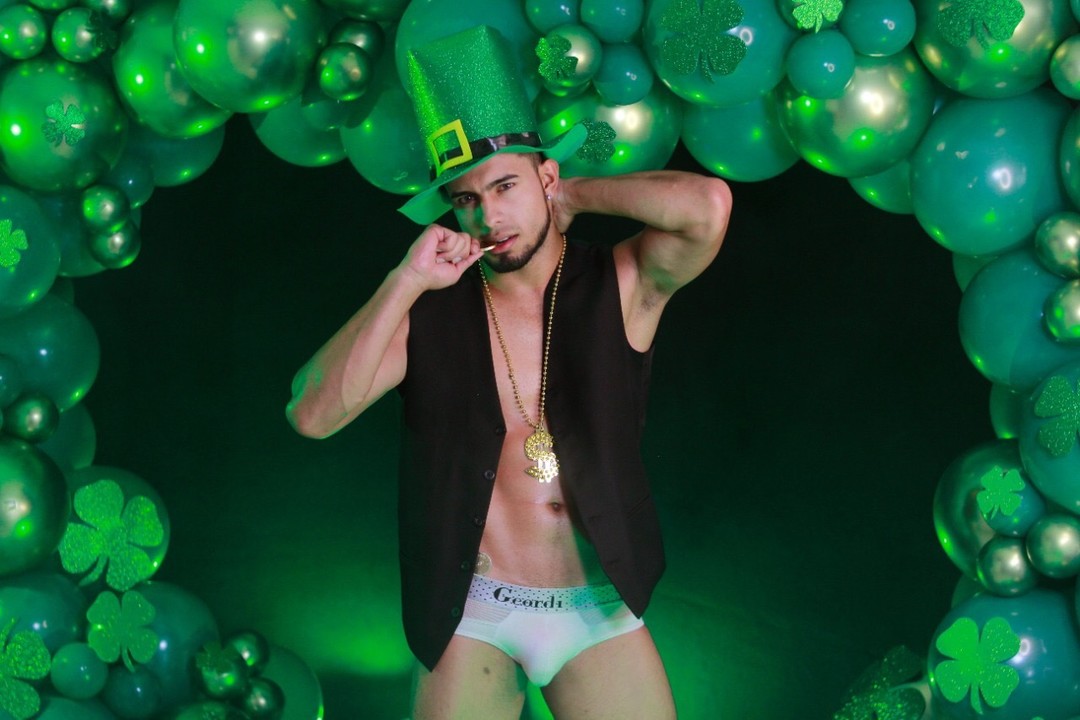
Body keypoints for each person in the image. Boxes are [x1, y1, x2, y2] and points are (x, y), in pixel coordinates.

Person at [286, 25, 731, 720]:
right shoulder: (430, 312)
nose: (489, 215)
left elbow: (708, 209)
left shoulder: (621, 283)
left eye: (505, 186)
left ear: (545, 178)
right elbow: (311, 415)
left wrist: (575, 197)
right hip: (476, 613)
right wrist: (405, 280)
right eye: (466, 198)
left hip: (596, 608)